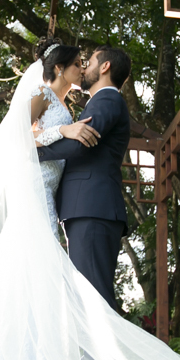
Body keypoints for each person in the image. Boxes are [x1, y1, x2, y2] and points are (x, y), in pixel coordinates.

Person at [36, 45, 131, 311]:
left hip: (93, 209)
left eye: (88, 63)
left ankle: (104, 355)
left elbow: (81, 142)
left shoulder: (108, 99)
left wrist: (35, 149)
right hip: (86, 209)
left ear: (105, 67)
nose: (83, 68)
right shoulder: (98, 102)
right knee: (87, 300)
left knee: (95, 302)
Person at [28, 37, 101, 233]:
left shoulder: (64, 106)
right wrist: (61, 130)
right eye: (77, 64)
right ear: (60, 67)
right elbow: (18, 138)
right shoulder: (41, 93)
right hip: (37, 183)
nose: (83, 70)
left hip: (53, 188)